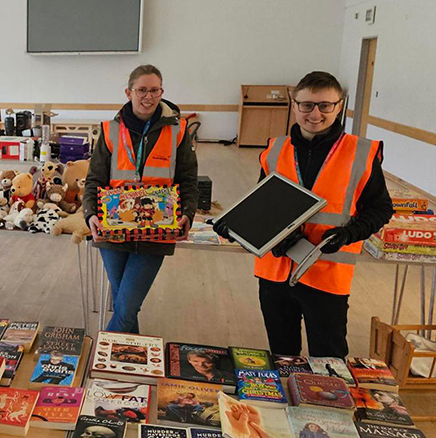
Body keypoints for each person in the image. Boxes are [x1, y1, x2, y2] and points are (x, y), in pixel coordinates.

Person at [215, 71, 393, 358]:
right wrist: (235, 225)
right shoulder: (275, 149)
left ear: (339, 106)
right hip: (275, 271)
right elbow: (263, 206)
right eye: (307, 105)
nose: (315, 114)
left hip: (327, 271)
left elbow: (381, 208)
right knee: (282, 354)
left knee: (329, 357)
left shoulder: (361, 152)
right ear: (294, 104)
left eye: (325, 105)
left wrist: (349, 234)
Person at [83, 65, 199, 333]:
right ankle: (128, 369)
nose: (148, 96)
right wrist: (90, 215)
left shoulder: (178, 130)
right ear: (129, 92)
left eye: (154, 90)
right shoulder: (110, 130)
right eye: (142, 90)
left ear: (162, 92)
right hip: (112, 230)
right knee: (126, 305)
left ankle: (98, 361)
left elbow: (189, 180)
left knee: (126, 306)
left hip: (156, 231)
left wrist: (188, 214)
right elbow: (94, 180)